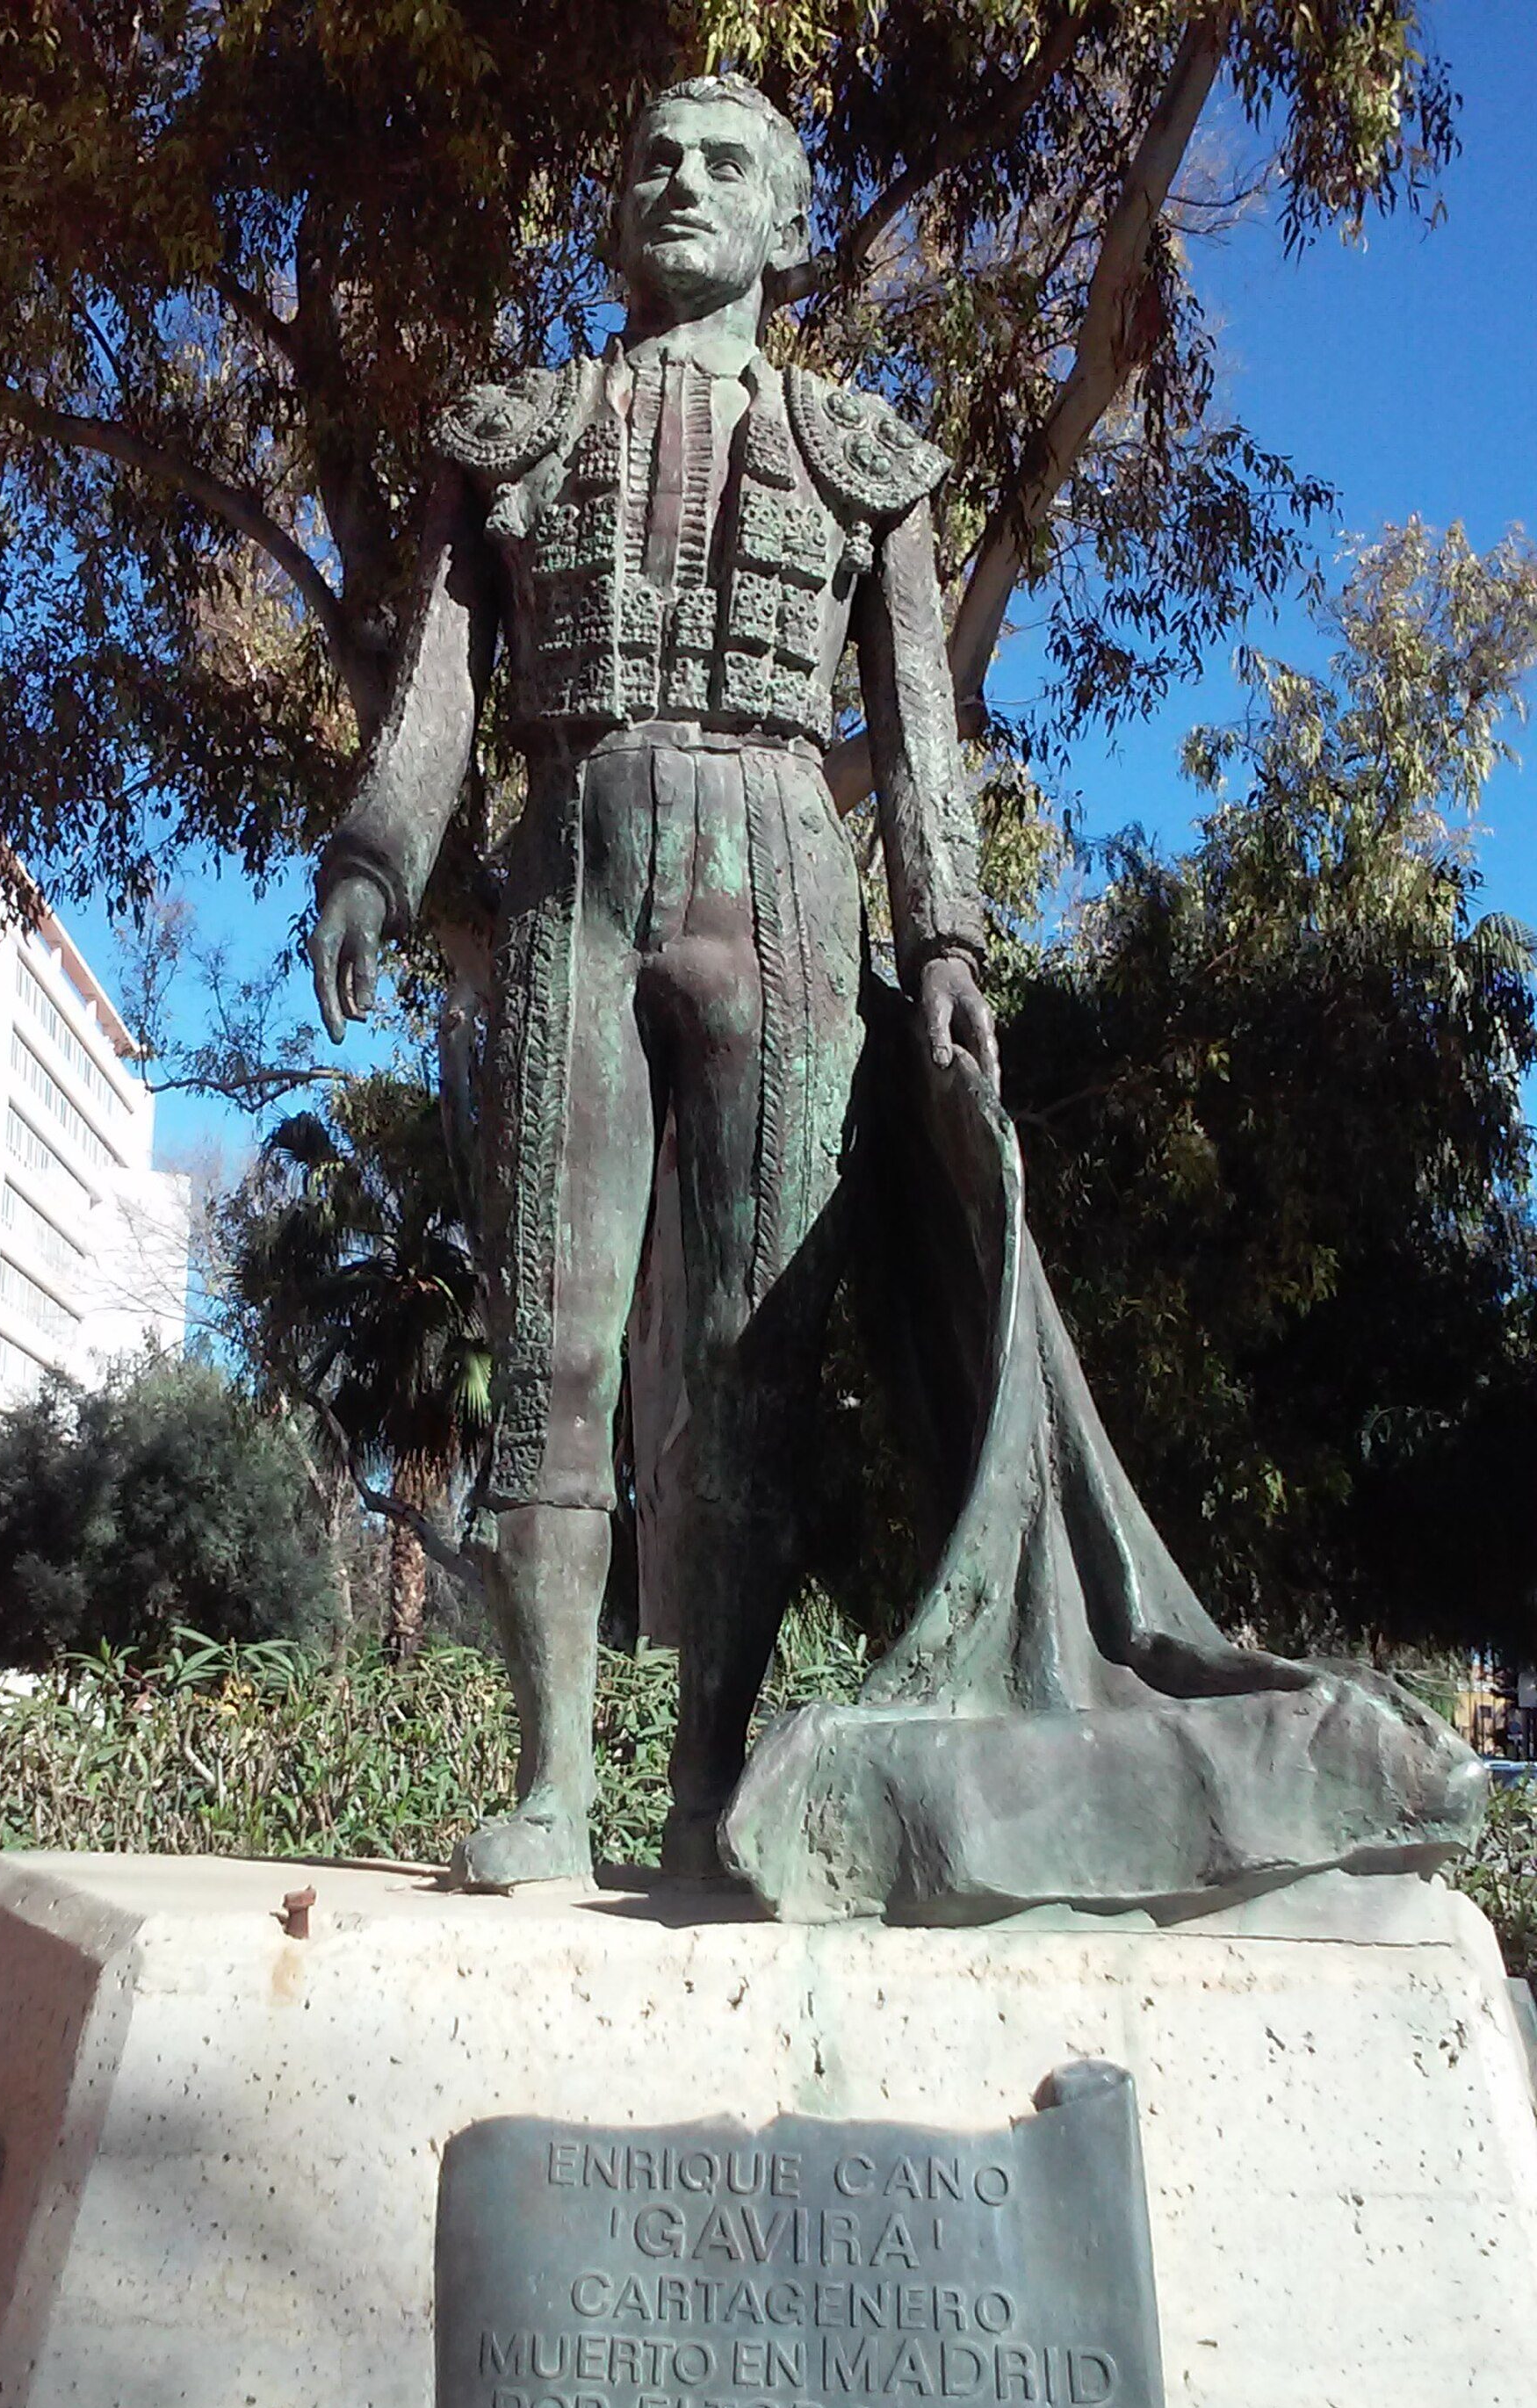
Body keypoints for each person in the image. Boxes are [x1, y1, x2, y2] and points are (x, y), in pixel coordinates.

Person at [308, 76, 998, 1886]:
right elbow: (436, 690)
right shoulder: (516, 435)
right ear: (613, 212)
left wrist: (942, 940)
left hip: (786, 882)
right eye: (654, 163)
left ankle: (706, 1794)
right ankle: (554, 1788)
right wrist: (378, 854)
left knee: (756, 1366)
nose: (683, 184)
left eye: (725, 164)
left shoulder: (870, 460)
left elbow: (923, 732)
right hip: (572, 868)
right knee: (550, 1344)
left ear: (786, 221)